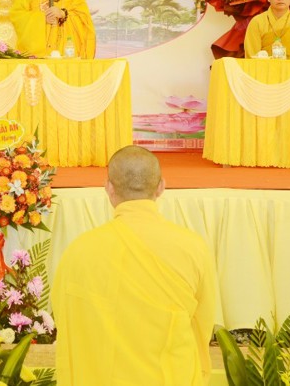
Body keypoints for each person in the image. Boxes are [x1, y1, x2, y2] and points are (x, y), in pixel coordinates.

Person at [51, 145, 216, 386]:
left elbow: (66, 320)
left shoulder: (79, 251)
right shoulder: (192, 247)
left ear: (109, 188)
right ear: (161, 187)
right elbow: (202, 325)